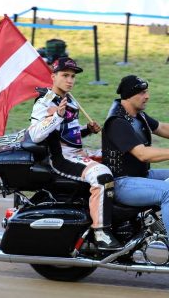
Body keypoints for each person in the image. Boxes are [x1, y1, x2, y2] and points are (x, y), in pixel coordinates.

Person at [28, 56, 122, 250]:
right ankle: (101, 232)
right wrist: (56, 115)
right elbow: (35, 135)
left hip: (77, 152)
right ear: (53, 76)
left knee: (118, 159)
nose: (70, 80)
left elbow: (69, 133)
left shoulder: (70, 99)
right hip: (62, 159)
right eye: (65, 75)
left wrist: (87, 129)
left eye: (72, 76)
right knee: (102, 175)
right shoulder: (43, 102)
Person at [102, 74, 169, 239]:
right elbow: (143, 154)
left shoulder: (137, 115)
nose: (147, 96)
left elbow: (162, 127)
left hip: (141, 175)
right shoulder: (117, 122)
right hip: (121, 183)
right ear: (129, 96)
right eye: (141, 92)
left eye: (146, 91)